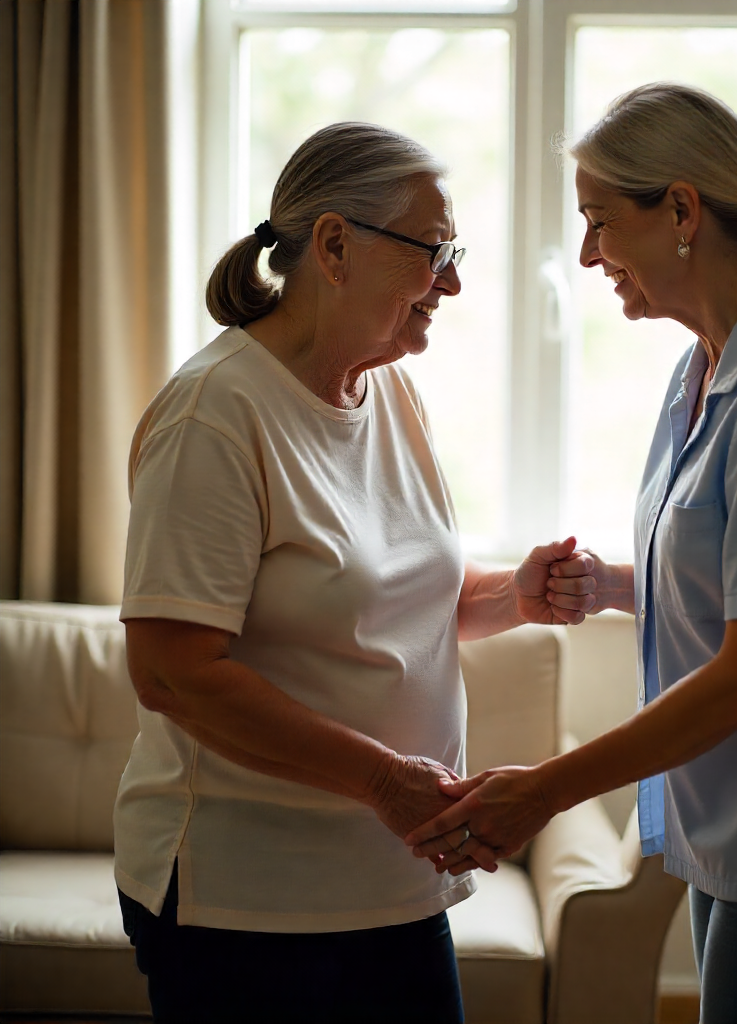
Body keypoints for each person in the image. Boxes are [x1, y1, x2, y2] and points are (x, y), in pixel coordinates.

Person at [407, 83, 737, 1024]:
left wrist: (544, 791)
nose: (587, 254)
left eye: (600, 221)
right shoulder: (704, 367)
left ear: (683, 211)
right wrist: (617, 585)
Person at [114, 122, 594, 1024]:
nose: (451, 282)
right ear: (334, 247)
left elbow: (401, 603)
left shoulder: (391, 390)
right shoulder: (214, 415)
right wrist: (384, 781)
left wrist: (515, 594)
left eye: (454, 254)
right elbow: (172, 673)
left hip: (397, 883)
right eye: (433, 252)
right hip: (248, 907)